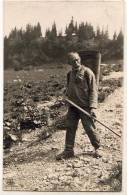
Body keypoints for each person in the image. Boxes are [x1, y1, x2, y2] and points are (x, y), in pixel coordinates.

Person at [56, 52, 101, 160]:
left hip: (85, 106)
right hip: (73, 106)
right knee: (70, 127)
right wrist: (65, 95)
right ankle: (68, 150)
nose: (76, 62)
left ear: (80, 59)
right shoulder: (69, 74)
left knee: (89, 128)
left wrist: (93, 107)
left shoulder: (87, 72)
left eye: (77, 60)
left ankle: (98, 148)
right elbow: (69, 88)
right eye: (73, 61)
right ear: (69, 63)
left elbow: (93, 91)